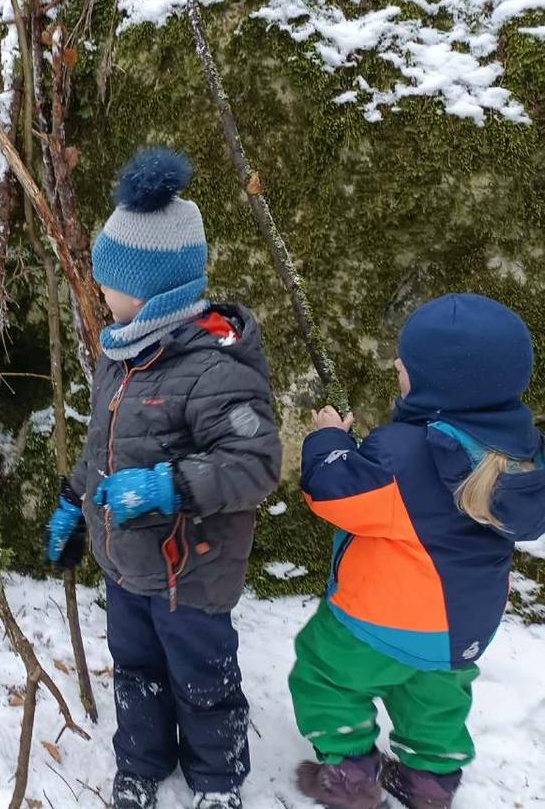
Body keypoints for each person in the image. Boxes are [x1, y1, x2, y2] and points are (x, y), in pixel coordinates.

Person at [46, 148, 282, 809]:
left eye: (109, 282)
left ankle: (216, 778)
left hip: (191, 573)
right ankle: (141, 761)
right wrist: (73, 499)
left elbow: (255, 463)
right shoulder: (123, 353)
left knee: (202, 677)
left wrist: (168, 486)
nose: (100, 293)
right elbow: (106, 446)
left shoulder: (214, 365)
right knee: (136, 670)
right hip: (126, 566)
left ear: (149, 286)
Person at [291, 293, 545, 809]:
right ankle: (429, 785)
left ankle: (350, 777)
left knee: (324, 675)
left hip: (377, 621)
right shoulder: (525, 454)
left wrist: (328, 440)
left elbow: (333, 493)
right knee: (434, 702)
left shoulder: (405, 454)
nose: (398, 376)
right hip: (463, 630)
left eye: (405, 370)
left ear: (438, 383)